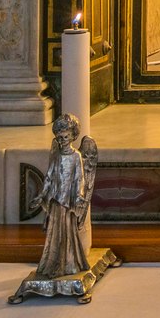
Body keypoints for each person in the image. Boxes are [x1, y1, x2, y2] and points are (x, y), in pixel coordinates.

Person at [36, 115, 98, 278]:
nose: (62, 140)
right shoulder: (57, 155)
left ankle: (68, 263)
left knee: (66, 233)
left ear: (72, 136)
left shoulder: (76, 156)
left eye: (66, 137)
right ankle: (53, 262)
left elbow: (80, 179)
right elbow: (49, 176)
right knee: (54, 232)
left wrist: (79, 196)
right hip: (55, 200)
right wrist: (42, 194)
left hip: (68, 203)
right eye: (60, 137)